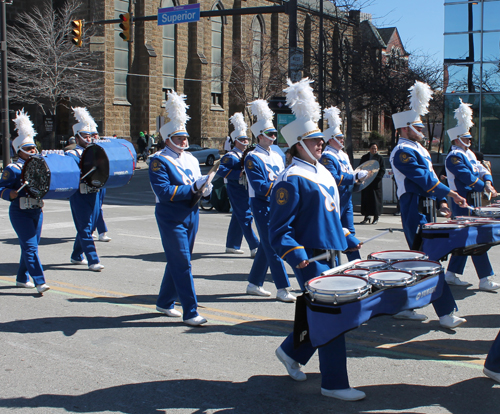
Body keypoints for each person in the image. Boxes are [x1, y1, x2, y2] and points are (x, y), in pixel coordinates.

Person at [271, 78, 364, 401]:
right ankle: (334, 383)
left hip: (332, 253)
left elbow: (331, 215)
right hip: (310, 257)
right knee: (333, 315)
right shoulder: (290, 179)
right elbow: (278, 231)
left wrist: (348, 237)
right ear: (297, 144)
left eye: (320, 139)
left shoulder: (321, 171)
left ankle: (291, 352)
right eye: (313, 140)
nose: (321, 144)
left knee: (325, 314)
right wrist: (299, 257)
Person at [390, 81, 468, 327]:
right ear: (405, 128)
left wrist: (442, 202)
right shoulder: (402, 151)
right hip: (414, 206)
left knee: (419, 261)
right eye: (418, 126)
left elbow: (431, 180)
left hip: (425, 205)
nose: (422, 129)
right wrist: (451, 194)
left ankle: (404, 305)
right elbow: (423, 179)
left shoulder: (417, 148)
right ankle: (446, 313)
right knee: (428, 261)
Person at [149, 90, 212, 326]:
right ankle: (190, 311)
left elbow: (197, 184)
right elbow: (164, 193)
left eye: (185, 138)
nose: (183, 142)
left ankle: (164, 302)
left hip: (192, 213)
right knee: (183, 262)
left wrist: (205, 189)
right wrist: (194, 187)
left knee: (179, 260)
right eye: (178, 138)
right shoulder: (158, 160)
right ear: (167, 140)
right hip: (171, 216)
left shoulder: (191, 159)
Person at [444, 99, 499, 291]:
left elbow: (481, 169)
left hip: (472, 201)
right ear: (457, 139)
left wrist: (489, 182)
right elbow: (467, 178)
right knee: (477, 239)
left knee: (466, 240)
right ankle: (484, 278)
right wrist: (485, 187)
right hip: (462, 202)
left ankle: (451, 274)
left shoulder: (469, 154)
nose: (470, 141)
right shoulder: (454, 156)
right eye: (466, 139)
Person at [244, 99, 295, 303]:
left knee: (266, 244)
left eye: (275, 133)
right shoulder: (252, 157)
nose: (274, 137)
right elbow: (260, 187)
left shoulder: (278, 154)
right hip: (261, 203)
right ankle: (282, 287)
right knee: (273, 244)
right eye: (270, 134)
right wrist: (283, 188)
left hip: (277, 202)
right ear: (259, 136)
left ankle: (253, 283)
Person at [0, 110, 50, 294]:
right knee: (30, 247)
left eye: (34, 148)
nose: (33, 151)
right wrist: (9, 193)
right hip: (19, 211)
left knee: (30, 246)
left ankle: (21, 278)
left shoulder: (41, 165)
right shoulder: (12, 169)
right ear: (19, 151)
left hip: (37, 210)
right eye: (28, 149)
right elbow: (1, 188)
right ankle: (39, 281)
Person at [320, 106, 366, 261]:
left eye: (342, 137)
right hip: (335, 199)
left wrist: (359, 178)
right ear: (330, 139)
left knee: (350, 232)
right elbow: (335, 177)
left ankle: (355, 264)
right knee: (336, 232)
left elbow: (351, 173)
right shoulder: (327, 156)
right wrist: (354, 178)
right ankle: (335, 263)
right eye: (338, 138)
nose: (342, 140)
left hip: (346, 198)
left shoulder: (343, 155)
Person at [65, 107, 104, 272]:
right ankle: (92, 260)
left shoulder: (95, 152)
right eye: (85, 136)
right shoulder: (71, 154)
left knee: (91, 225)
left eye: (90, 136)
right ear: (77, 138)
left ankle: (76, 255)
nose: (88, 138)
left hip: (94, 192)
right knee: (85, 227)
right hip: (79, 194)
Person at [216, 112, 259, 257]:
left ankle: (232, 245)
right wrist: (238, 174)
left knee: (238, 216)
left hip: (245, 188)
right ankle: (255, 247)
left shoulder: (246, 154)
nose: (245, 141)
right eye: (242, 139)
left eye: (246, 139)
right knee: (245, 216)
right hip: (235, 188)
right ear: (235, 141)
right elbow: (221, 170)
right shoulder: (230, 156)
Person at [360, 142, 386, 224]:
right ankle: (366, 216)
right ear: (369, 149)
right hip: (366, 182)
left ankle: (376, 217)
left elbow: (382, 170)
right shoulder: (365, 157)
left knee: (375, 200)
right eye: (372, 148)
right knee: (366, 199)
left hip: (375, 183)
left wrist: (376, 178)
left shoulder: (380, 158)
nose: (374, 150)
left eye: (375, 148)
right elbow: (361, 168)